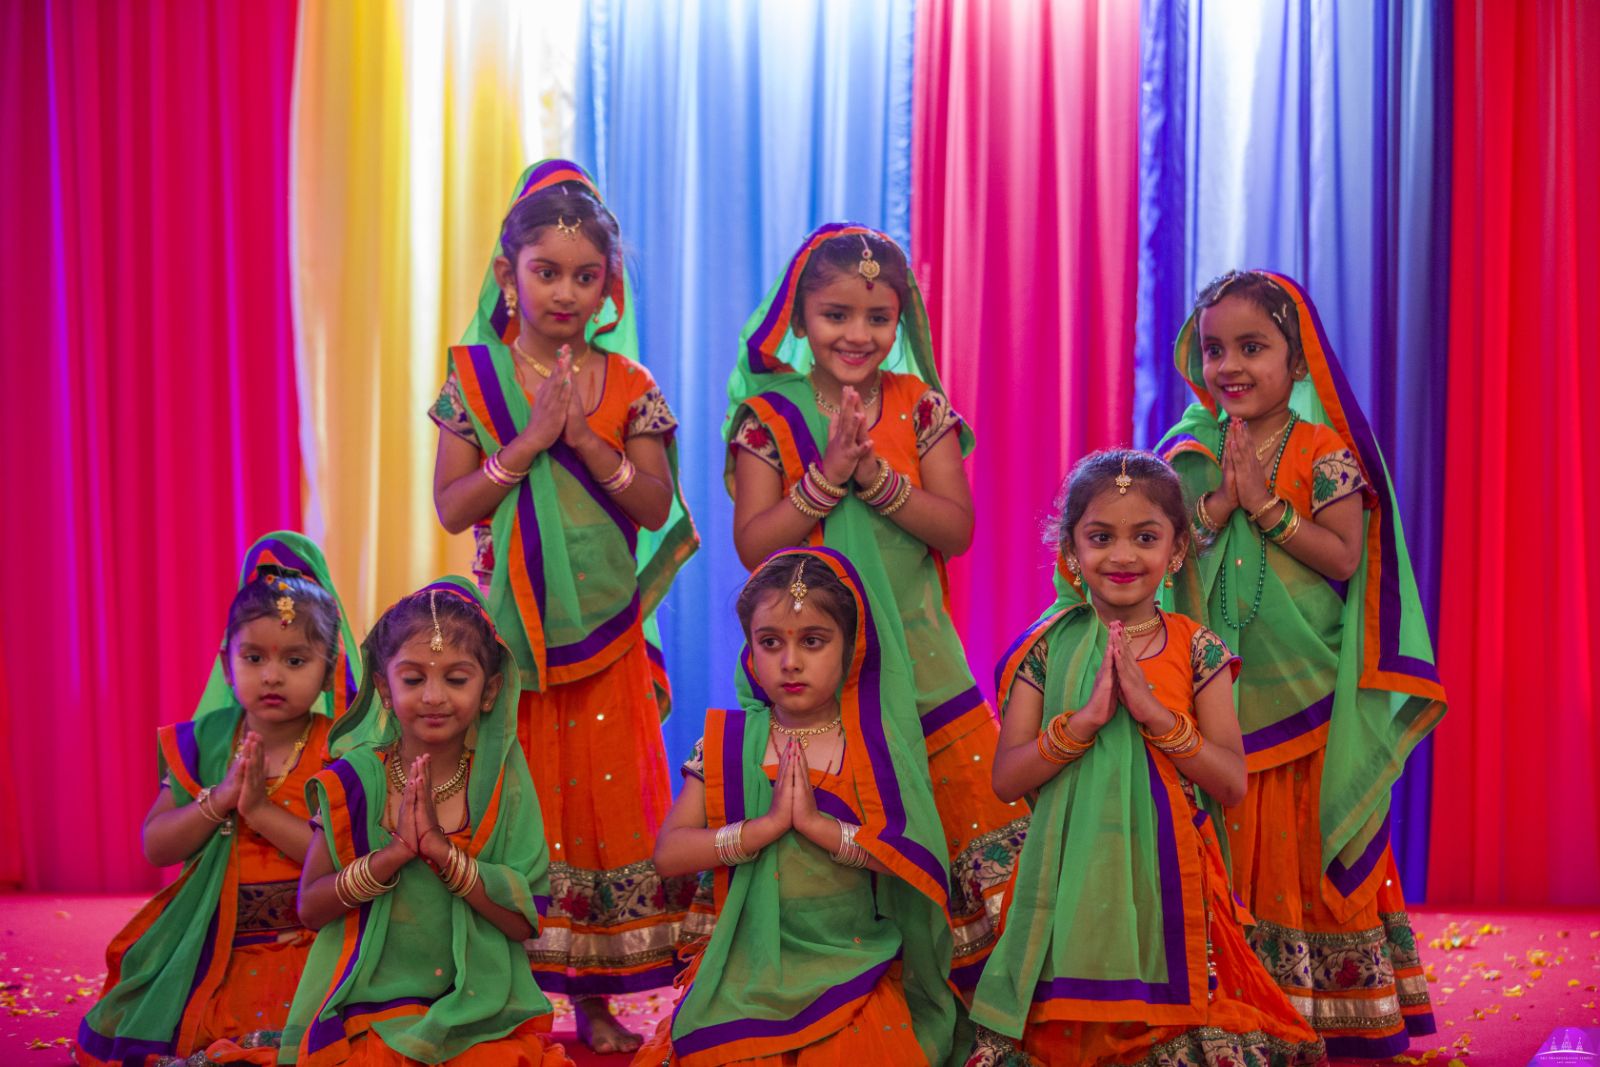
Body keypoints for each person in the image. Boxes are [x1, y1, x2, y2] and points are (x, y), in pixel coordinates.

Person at [429, 160, 699, 1052]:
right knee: (523, 803)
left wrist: (582, 436)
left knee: (605, 807)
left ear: (608, 285)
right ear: (508, 274)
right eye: (547, 271)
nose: (566, 291)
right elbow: (454, 506)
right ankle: (509, 989)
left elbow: (656, 509)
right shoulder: (474, 377)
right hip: (510, 635)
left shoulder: (628, 382)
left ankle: (593, 1000)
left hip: (609, 634)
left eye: (587, 276)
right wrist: (529, 442)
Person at [724, 224, 1026, 986]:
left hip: (924, 666)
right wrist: (827, 475)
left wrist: (877, 482)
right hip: (815, 673)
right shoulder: (771, 416)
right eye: (835, 315)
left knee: (983, 847)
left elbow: (955, 529)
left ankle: (976, 1007)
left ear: (902, 321)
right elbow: (756, 546)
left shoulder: (918, 404)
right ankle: (875, 1000)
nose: (858, 335)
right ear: (798, 318)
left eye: (878, 318)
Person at [1159, 271, 1445, 1056]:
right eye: (1215, 348)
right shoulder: (1185, 452)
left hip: (1306, 689)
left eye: (1254, 347)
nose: (1231, 366)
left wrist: (1266, 506)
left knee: (1298, 839)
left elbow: (1347, 556)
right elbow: (1160, 544)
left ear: (1298, 359)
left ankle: (1325, 1013)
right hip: (1214, 693)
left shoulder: (1325, 452)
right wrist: (1215, 502)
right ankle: (1233, 1006)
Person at [968, 452, 1326, 1067]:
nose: (1123, 556)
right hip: (1065, 879)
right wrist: (1082, 724)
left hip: (1173, 875)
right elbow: (1006, 779)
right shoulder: (1045, 649)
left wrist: (1156, 716)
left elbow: (1230, 780)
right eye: (1101, 537)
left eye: (1146, 537)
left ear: (1177, 550)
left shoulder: (1197, 649)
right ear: (1072, 551)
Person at [635, 549, 963, 1066]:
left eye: (812, 641)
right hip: (747, 967)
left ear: (850, 647)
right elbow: (669, 854)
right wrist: (762, 830)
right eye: (770, 642)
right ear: (750, 650)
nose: (790, 661)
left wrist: (816, 826)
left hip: (853, 960)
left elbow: (911, 856)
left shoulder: (872, 746)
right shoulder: (729, 743)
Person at [77, 533, 359, 1067]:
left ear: (328, 668)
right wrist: (220, 799)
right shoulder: (203, 742)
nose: (272, 675)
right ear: (226, 664)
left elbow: (344, 863)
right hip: (213, 948)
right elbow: (156, 846)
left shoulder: (339, 750)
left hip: (311, 947)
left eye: (296, 660)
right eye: (254, 657)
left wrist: (258, 813)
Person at [280, 578, 572, 1067]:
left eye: (456, 679)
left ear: (489, 690)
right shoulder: (353, 781)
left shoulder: (504, 789)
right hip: (367, 1002)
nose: (434, 696)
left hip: (475, 1006)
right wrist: (392, 857)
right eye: (413, 679)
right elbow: (311, 907)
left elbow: (523, 922)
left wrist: (443, 854)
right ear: (384, 688)